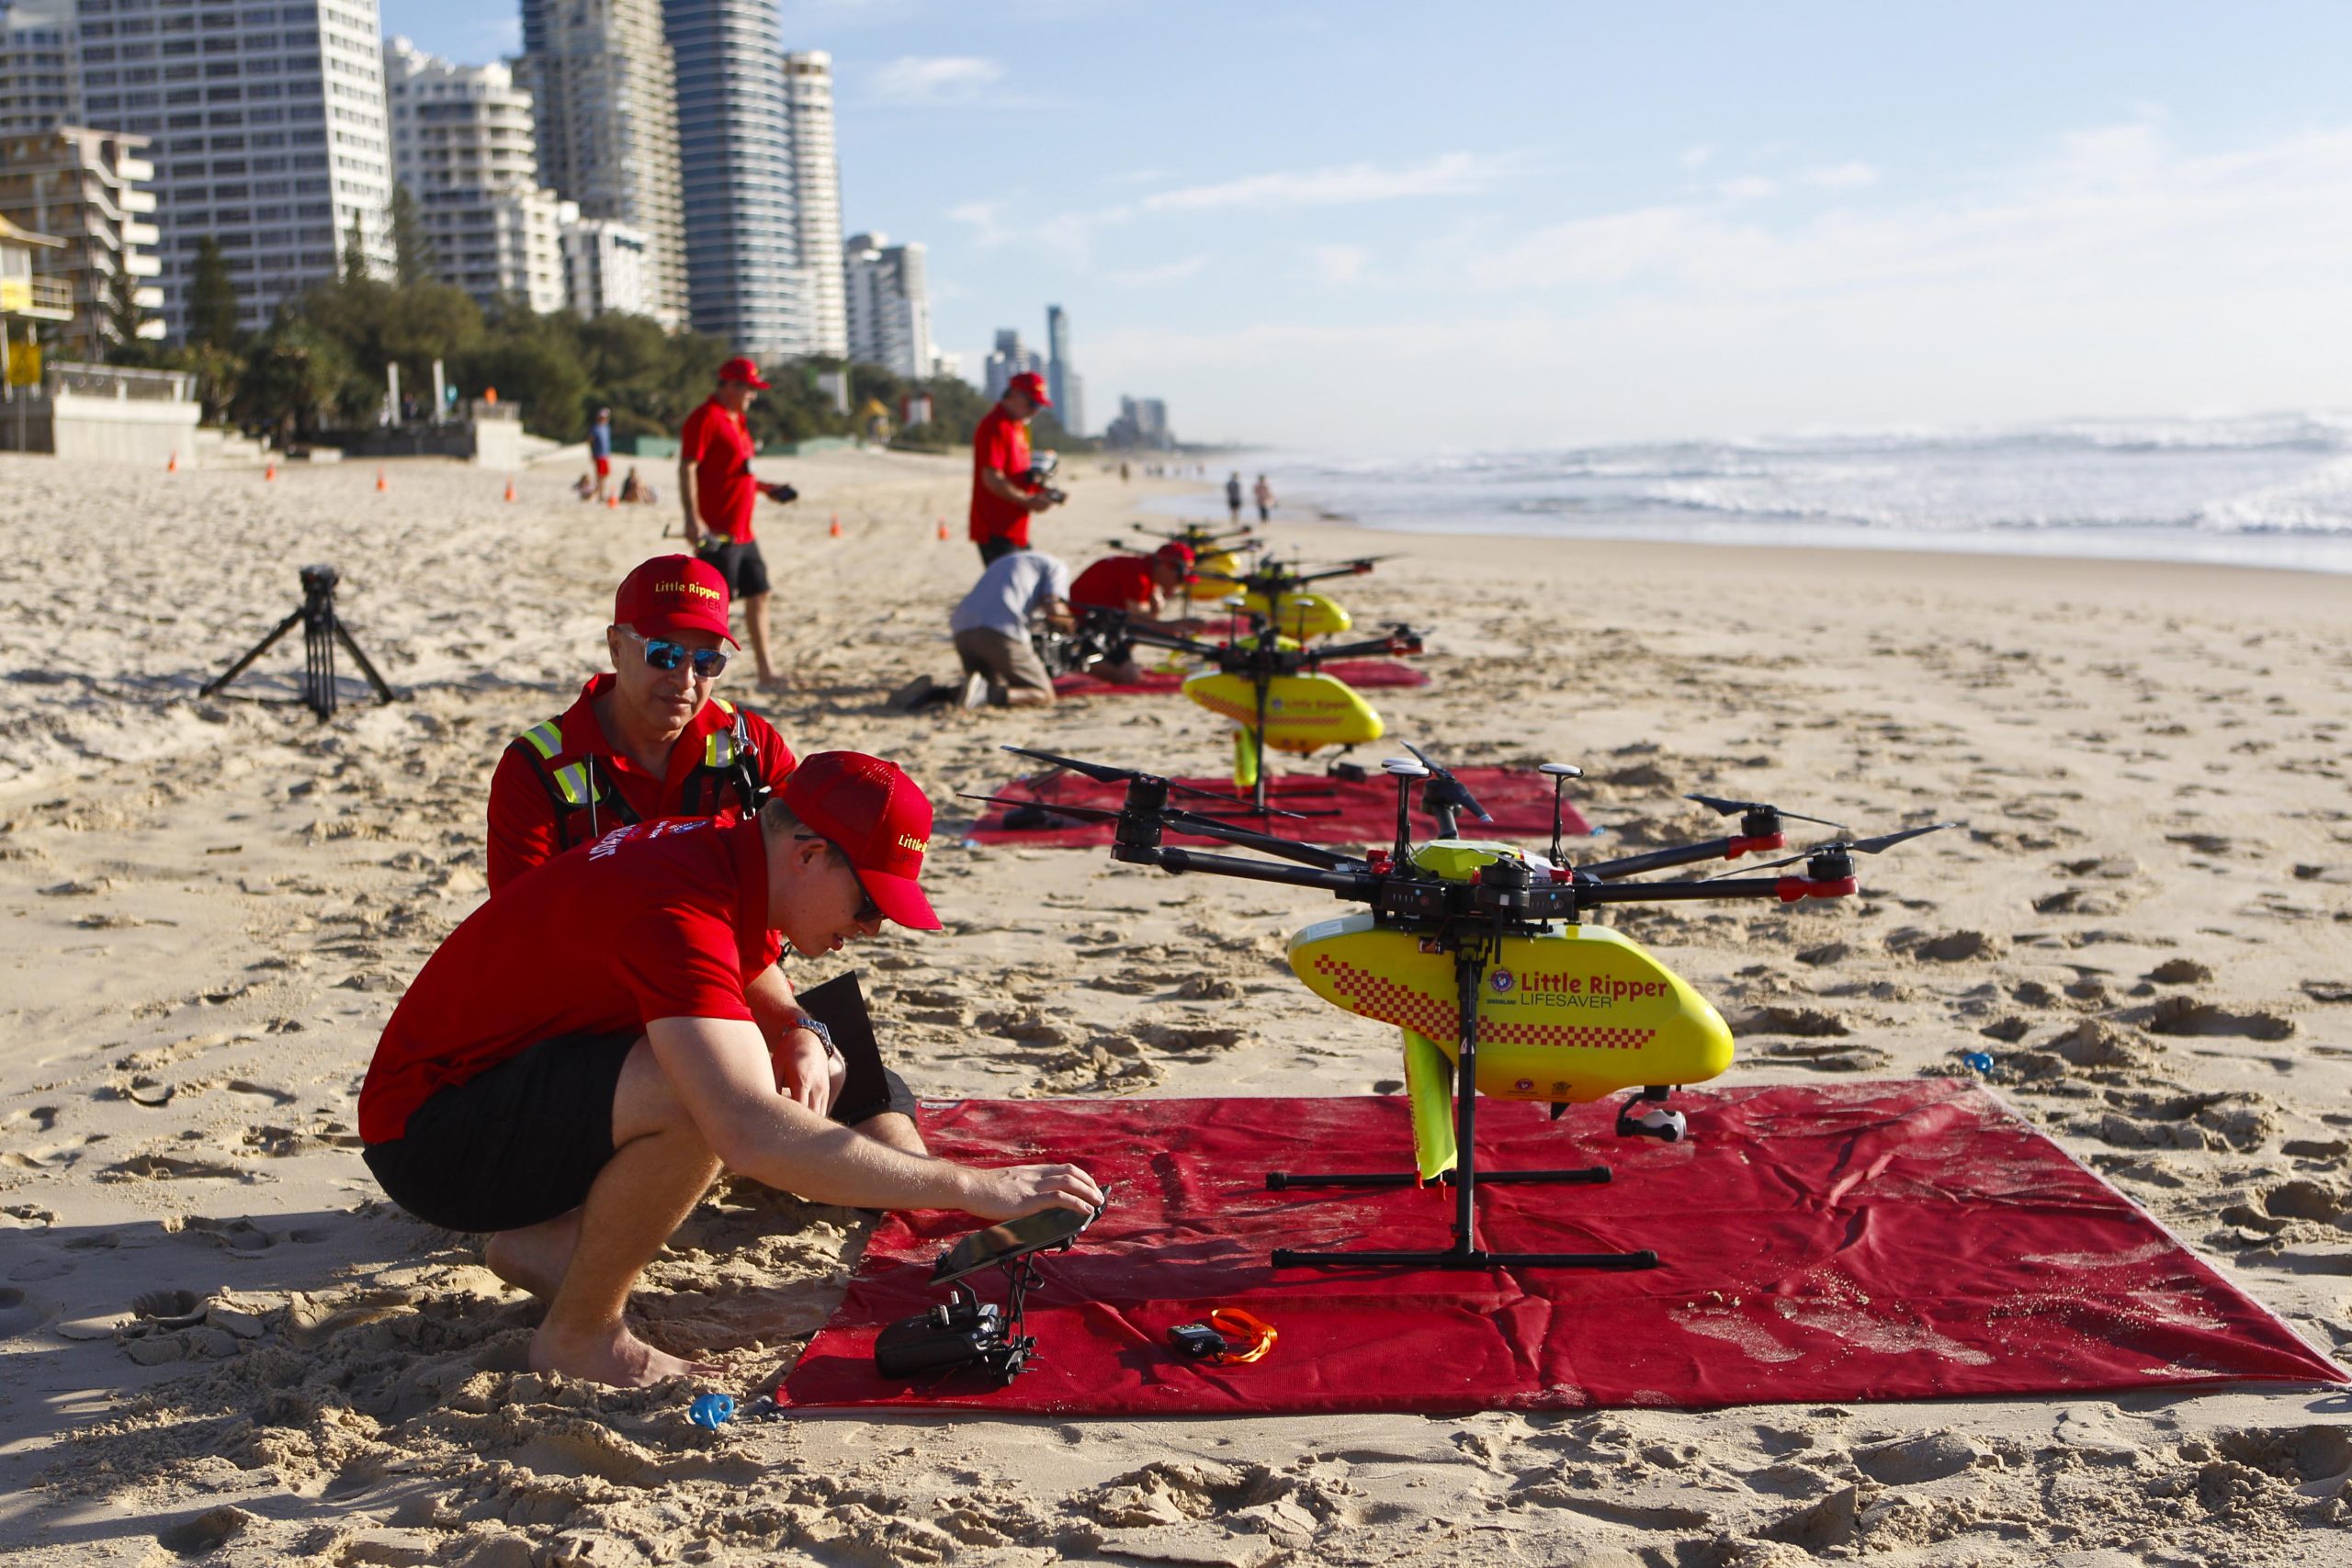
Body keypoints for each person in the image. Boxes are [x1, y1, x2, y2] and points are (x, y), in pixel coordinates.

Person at [360, 752, 1105, 1388]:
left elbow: (746, 967)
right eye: (871, 902)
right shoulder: (680, 906)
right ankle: (580, 1335)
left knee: (749, 1059)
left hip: (485, 1086)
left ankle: (551, 1244)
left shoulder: (722, 848)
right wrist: (975, 1188)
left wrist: (800, 1025)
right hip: (432, 1138)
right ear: (809, 853)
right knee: (706, 1100)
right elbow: (750, 1133)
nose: (873, 929)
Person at [486, 555, 800, 895]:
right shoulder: (535, 769)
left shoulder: (750, 743)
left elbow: (810, 862)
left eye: (707, 661)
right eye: (664, 653)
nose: (685, 679)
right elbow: (519, 923)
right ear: (616, 648)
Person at [680, 357, 792, 689]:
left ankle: (766, 672)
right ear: (729, 385)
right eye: (748, 389)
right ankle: (697, 677)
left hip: (745, 533)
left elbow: (740, 473)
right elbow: (687, 467)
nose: (752, 396)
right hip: (718, 534)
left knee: (760, 594)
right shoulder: (705, 418)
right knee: (712, 610)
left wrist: (768, 489)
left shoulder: (738, 421)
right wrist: (692, 518)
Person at [948, 547, 1072, 706]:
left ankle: (939, 694)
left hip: (962, 629)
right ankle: (986, 696)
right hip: (1001, 631)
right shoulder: (1056, 565)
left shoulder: (1002, 562)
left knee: (985, 683)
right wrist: (1070, 624)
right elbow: (1054, 609)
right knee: (1043, 694)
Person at [968, 370, 1061, 565]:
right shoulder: (995, 425)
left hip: (1016, 528)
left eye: (1039, 406)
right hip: (996, 529)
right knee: (1012, 589)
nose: (1035, 411)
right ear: (1014, 395)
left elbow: (1018, 476)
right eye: (1032, 404)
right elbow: (992, 477)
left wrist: (1043, 493)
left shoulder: (1017, 427)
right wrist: (1027, 500)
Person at [1068, 542, 1196, 683]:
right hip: (1085, 625)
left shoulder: (1143, 571)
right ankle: (1076, 661)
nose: (1179, 585)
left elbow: (1140, 621)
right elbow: (1138, 621)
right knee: (1130, 676)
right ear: (1166, 567)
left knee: (1130, 662)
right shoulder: (1138, 576)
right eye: (1179, 580)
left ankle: (1091, 661)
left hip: (1100, 623)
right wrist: (1171, 627)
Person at [590, 408, 615, 503]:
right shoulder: (595, 428)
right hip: (598, 455)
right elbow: (590, 441)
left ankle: (601, 493)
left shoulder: (606, 428)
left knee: (605, 475)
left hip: (605, 455)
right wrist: (592, 454)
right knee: (599, 476)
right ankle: (599, 494)